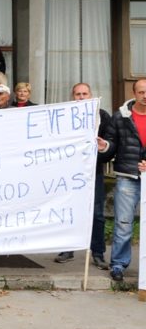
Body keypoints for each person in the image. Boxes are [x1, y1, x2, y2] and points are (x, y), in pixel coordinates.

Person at [55, 83, 111, 269]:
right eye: (77, 94)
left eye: (84, 94)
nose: (81, 97)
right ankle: (67, 248)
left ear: (91, 95)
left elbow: (110, 146)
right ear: (73, 97)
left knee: (97, 214)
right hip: (69, 172)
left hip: (93, 171)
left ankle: (97, 252)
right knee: (68, 210)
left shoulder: (102, 116)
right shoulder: (64, 116)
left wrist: (102, 149)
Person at [98, 79, 146, 282]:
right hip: (127, 178)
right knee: (123, 224)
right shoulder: (120, 117)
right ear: (134, 93)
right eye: (142, 91)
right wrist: (104, 147)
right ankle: (118, 264)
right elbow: (112, 146)